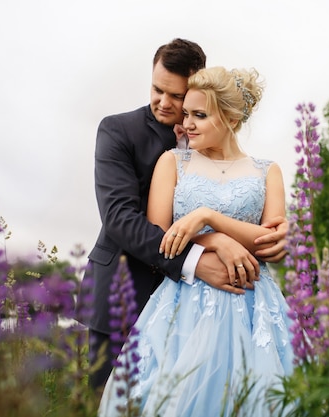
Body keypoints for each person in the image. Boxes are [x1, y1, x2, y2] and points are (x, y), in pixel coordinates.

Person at [79, 39, 289, 391]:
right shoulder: (119, 131)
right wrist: (205, 249)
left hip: (235, 301)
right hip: (125, 290)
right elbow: (120, 220)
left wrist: (281, 236)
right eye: (157, 90)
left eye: (176, 96)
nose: (164, 103)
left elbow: (266, 230)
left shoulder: (256, 164)